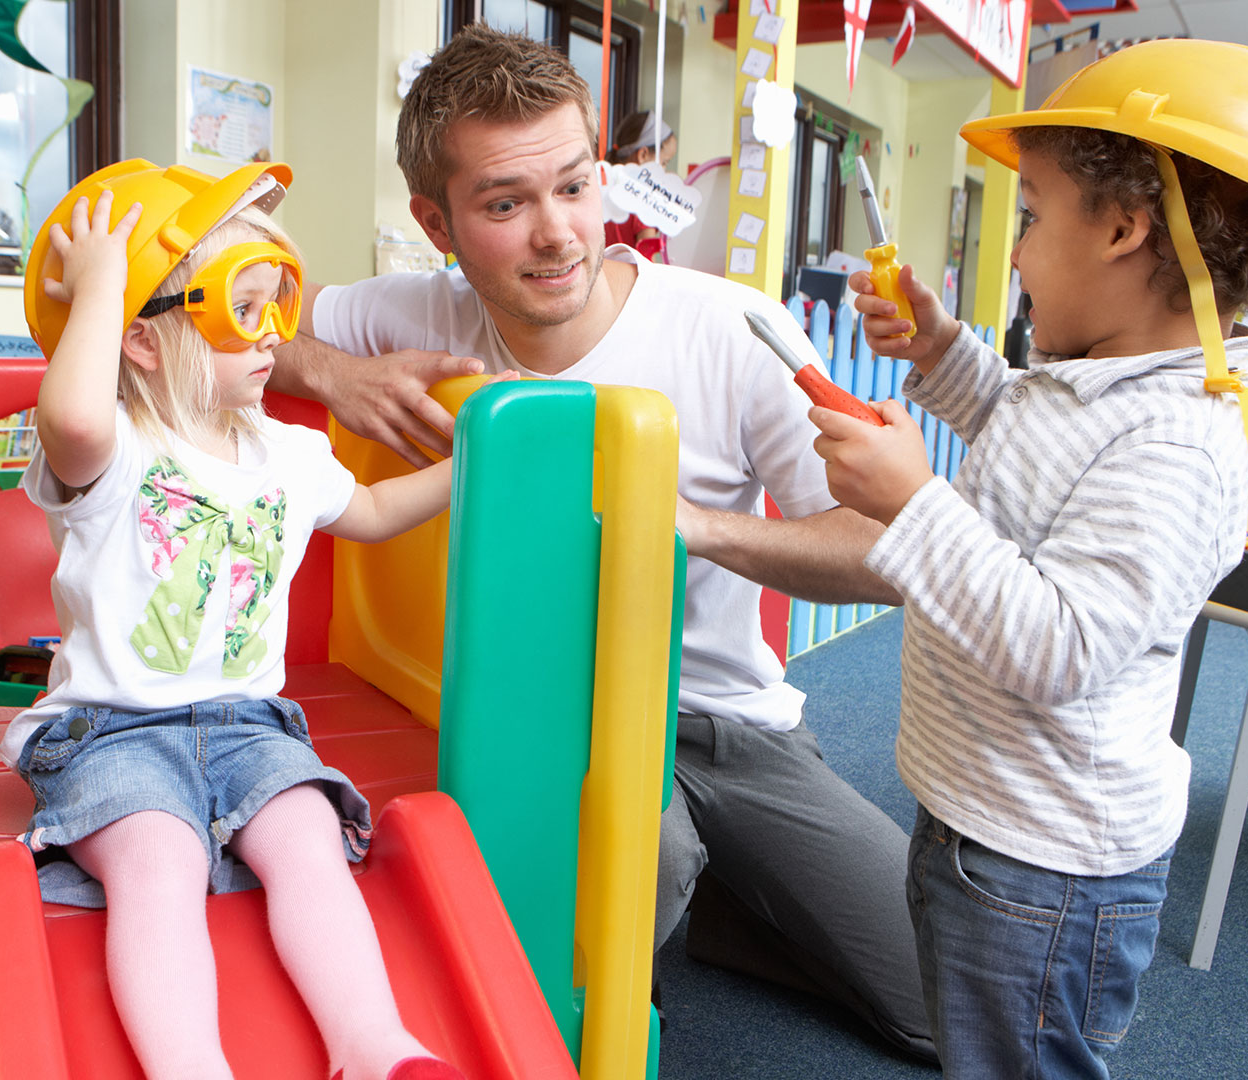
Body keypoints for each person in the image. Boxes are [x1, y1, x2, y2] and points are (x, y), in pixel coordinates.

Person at [272, 24, 936, 1061]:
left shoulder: (732, 331)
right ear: (434, 221)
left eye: (575, 187)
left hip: (726, 723)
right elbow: (200, 326)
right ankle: (675, 898)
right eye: (505, 204)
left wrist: (692, 527)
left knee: (937, 1006)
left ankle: (716, 898)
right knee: (631, 880)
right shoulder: (406, 310)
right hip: (543, 724)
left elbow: (890, 554)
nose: (559, 235)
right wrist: (326, 370)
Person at [810, 40, 1248, 1079]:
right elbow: (1020, 432)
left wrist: (912, 504)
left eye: (1032, 214)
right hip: (988, 823)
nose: (1013, 251)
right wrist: (937, 353)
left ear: (1121, 227)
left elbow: (1061, 647)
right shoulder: (1095, 378)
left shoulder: (1178, 443)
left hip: (1043, 869)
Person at [10, 159, 474, 1080]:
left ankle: (374, 1048)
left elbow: (373, 517)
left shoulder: (289, 454)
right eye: (242, 309)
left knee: (307, 839)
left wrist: (480, 457)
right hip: (110, 735)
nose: (273, 337)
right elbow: (69, 410)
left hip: (248, 725)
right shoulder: (115, 450)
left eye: (282, 301)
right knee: (159, 857)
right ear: (143, 341)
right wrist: (106, 283)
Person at [604, 109, 678, 262]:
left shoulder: (601, 190)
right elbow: (647, 261)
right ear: (643, 155)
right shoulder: (643, 201)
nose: (664, 170)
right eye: (663, 163)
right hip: (628, 283)